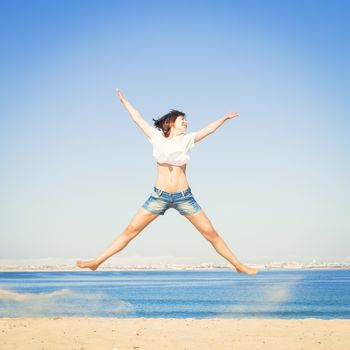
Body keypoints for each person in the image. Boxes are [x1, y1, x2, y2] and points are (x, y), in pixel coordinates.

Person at [76, 89, 257, 275]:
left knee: (211, 234)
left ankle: (238, 265)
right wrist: (124, 101)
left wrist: (224, 118)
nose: (186, 122)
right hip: (159, 196)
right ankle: (97, 262)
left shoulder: (188, 140)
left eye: (186, 119)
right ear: (171, 123)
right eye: (182, 119)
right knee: (130, 231)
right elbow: (137, 118)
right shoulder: (156, 137)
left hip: (184, 197)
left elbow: (208, 129)